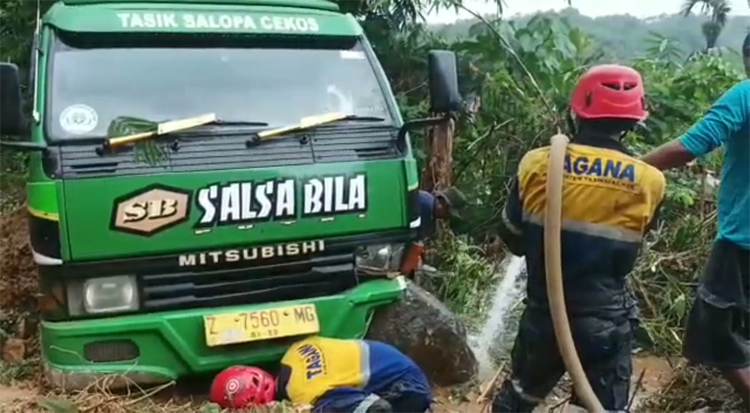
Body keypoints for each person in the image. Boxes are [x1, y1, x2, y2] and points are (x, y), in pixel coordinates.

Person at [492, 64, 666, 412]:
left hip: (544, 317)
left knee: (517, 401)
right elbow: (629, 253)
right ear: (634, 121)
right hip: (605, 321)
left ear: (578, 112)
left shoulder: (538, 164)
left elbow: (511, 237)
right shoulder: (650, 181)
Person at [641, 80, 750, 405]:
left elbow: (691, 145)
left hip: (742, 243)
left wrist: (632, 168)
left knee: (716, 335)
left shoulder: (745, 94)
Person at [210, 336, 433, 413]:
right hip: (401, 371)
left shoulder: (303, 394)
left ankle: (368, 409)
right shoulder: (294, 352)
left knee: (325, 408)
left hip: (406, 388)